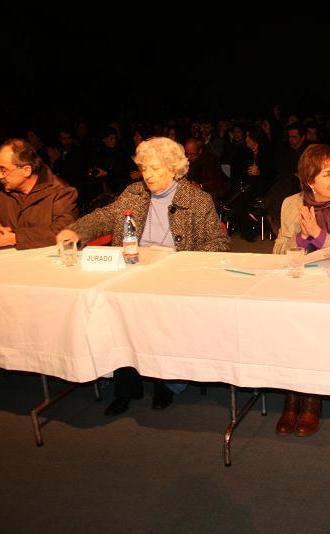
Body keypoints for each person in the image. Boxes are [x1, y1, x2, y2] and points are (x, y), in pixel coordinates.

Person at [56, 137, 230, 416]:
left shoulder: (197, 200)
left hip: (174, 276)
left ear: (174, 169)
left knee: (157, 313)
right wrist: (76, 230)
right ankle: (126, 384)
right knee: (113, 310)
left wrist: (183, 262)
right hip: (131, 270)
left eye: (156, 169)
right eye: (144, 168)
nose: (148, 175)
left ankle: (164, 382)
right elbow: (105, 216)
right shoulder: (133, 193)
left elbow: (219, 244)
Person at [272, 144, 330, 436]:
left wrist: (319, 235)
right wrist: (301, 238)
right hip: (300, 282)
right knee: (290, 321)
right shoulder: (291, 205)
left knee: (313, 321)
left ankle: (311, 399)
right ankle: (292, 395)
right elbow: (277, 251)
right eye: (327, 174)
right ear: (310, 181)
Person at [0, 138, 78, 250]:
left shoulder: (61, 192)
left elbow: (63, 231)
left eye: (3, 170)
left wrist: (14, 238)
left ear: (26, 170)